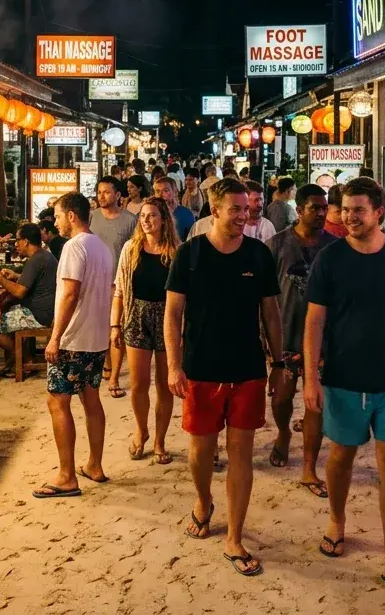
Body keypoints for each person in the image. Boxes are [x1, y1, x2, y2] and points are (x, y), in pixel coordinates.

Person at [304, 178, 385, 602]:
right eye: (345, 209)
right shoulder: (330, 259)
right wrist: (310, 376)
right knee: (341, 456)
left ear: (379, 211)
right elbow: (314, 322)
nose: (349, 217)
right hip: (343, 377)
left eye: (358, 209)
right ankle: (337, 519)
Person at [165, 177, 281, 577]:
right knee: (200, 453)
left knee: (241, 454)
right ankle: (202, 501)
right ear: (214, 211)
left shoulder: (258, 254)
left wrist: (278, 362)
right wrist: (174, 365)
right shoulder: (191, 254)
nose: (243, 216)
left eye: (247, 209)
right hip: (200, 367)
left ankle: (235, 534)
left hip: (247, 367)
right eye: (235, 209)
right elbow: (173, 313)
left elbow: (271, 313)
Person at [33, 192, 113, 499]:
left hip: (73, 340)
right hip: (95, 338)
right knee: (91, 400)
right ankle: (95, 465)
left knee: (58, 401)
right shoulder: (101, 247)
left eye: (56, 215)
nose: (54, 221)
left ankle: (66, 476)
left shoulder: (74, 247)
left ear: (71, 216)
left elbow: (69, 294)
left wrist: (55, 337)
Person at [265, 184, 335, 495]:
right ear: (300, 209)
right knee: (281, 398)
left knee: (315, 404)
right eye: (315, 208)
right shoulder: (277, 244)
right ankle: (282, 433)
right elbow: (265, 296)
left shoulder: (335, 247)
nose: (321, 213)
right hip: (286, 335)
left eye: (324, 208)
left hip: (324, 340)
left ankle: (309, 466)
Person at [111, 197, 181, 465]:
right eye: (143, 216)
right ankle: (141, 430)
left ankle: (160, 439)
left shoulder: (176, 251)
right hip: (137, 315)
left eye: (152, 215)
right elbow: (119, 290)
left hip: (168, 318)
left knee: (165, 385)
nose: (146, 220)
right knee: (139, 384)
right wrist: (115, 324)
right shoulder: (131, 249)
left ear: (164, 219)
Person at [90, 177, 138, 397]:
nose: (102, 196)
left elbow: (135, 252)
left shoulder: (129, 220)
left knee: (116, 330)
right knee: (100, 329)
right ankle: (106, 365)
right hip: (95, 283)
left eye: (107, 192)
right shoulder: (92, 218)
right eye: (99, 192)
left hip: (118, 284)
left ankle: (116, 376)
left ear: (118, 195)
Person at [0, 223, 57, 366]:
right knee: (6, 307)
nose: (16, 244)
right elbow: (34, 281)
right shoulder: (43, 255)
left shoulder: (36, 259)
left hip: (40, 314)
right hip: (47, 309)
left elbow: (20, 292)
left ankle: (22, 358)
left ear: (26, 241)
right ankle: (24, 354)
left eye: (18, 240)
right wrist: (16, 275)